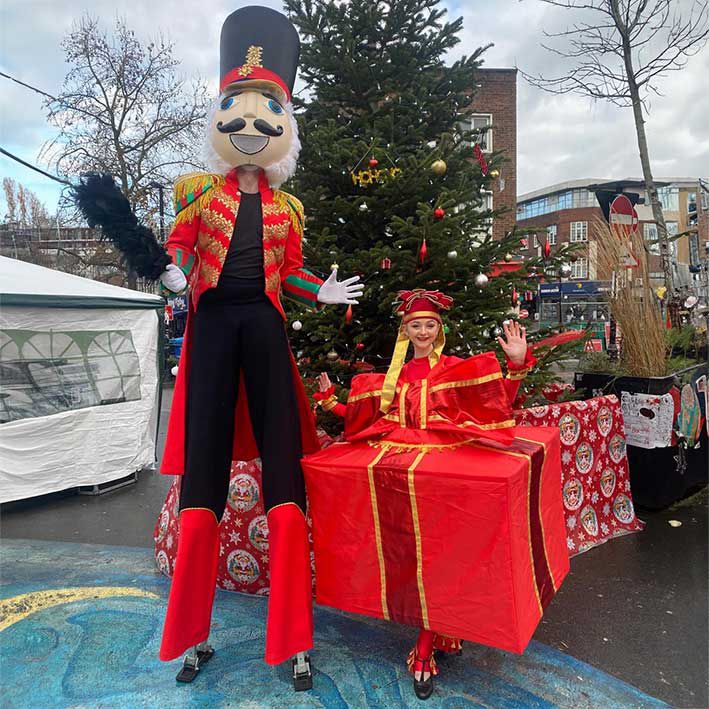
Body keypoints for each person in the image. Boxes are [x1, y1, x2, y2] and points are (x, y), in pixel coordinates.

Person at [157, 6, 363, 688]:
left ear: (285, 127)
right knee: (203, 474)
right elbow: (180, 249)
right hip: (215, 325)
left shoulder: (287, 208)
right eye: (237, 112)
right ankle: (191, 634)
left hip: (265, 326)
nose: (251, 126)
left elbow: (291, 272)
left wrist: (318, 291)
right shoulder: (196, 194)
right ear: (218, 122)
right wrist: (173, 271)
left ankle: (294, 637)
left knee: (284, 466)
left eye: (268, 112)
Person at [313, 288, 535, 700]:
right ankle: (433, 636)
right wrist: (330, 404)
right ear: (405, 331)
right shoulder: (392, 379)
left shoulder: (453, 370)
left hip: (445, 474)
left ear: (439, 329)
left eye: (430, 325)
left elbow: (497, 404)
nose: (423, 332)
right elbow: (365, 419)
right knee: (418, 554)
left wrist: (516, 365)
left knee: (443, 552)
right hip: (401, 474)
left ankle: (430, 640)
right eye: (416, 325)